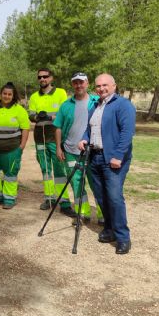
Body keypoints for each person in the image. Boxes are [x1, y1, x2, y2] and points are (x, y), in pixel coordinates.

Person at [79, 74, 136, 255]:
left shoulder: (123, 105)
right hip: (94, 157)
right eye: (98, 86)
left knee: (114, 197)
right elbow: (90, 129)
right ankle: (110, 229)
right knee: (101, 197)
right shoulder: (95, 105)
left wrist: (118, 155)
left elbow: (127, 132)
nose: (101, 88)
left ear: (114, 86)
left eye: (105, 85)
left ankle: (123, 238)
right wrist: (84, 139)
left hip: (113, 159)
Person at [52, 72, 103, 224]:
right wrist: (59, 148)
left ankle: (103, 215)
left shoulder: (97, 101)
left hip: (92, 153)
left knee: (97, 184)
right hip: (71, 152)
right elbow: (58, 127)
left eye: (82, 82)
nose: (79, 85)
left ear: (87, 83)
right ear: (72, 84)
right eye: (76, 83)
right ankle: (83, 213)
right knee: (77, 184)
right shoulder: (66, 105)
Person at [28, 68, 73, 214]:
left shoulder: (60, 92)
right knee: (45, 169)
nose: (42, 79)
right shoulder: (34, 96)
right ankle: (49, 198)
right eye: (39, 77)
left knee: (60, 169)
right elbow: (31, 115)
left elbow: (64, 113)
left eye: (45, 76)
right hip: (40, 138)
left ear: (51, 78)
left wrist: (47, 117)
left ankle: (64, 202)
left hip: (55, 138)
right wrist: (37, 117)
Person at [0, 82, 30, 209]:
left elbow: (25, 129)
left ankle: (9, 199)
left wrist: (21, 147)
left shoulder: (19, 110)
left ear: (13, 95)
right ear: (0, 94)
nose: (6, 96)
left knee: (10, 174)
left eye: (9, 94)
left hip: (12, 149)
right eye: (4, 93)